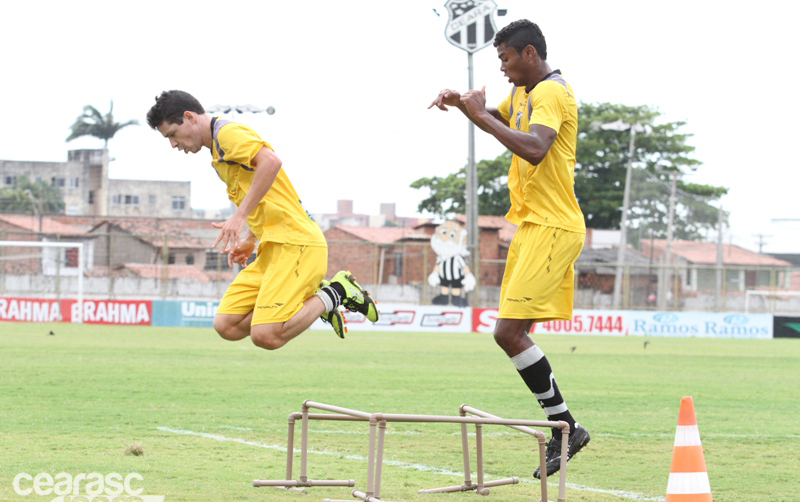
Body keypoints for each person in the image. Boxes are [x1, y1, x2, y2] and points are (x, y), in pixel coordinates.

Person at [429, 20, 589, 478]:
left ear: (530, 55)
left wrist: (478, 117)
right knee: (510, 332)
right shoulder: (523, 93)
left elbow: (537, 148)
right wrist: (465, 105)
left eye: (505, 59)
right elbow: (498, 121)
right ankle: (565, 426)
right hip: (532, 225)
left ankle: (566, 427)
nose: (501, 68)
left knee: (507, 332)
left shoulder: (551, 93)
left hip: (553, 226)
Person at [146, 90, 378, 350]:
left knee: (266, 336)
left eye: (172, 135)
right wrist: (251, 237)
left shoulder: (226, 133)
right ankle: (312, 297)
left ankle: (337, 292)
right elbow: (264, 194)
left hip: (296, 243)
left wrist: (239, 216)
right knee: (227, 325)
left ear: (189, 117)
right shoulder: (218, 153)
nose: (174, 145)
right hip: (273, 246)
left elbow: (271, 162)